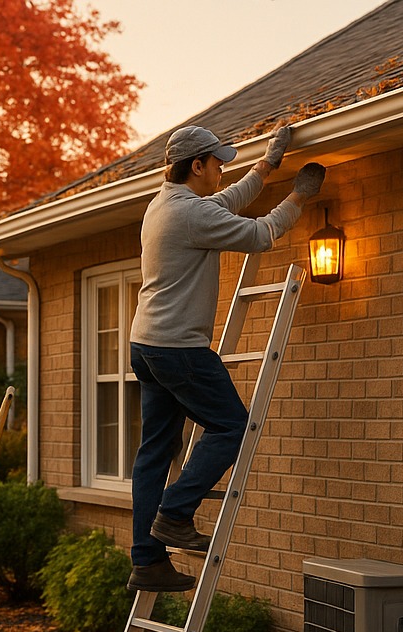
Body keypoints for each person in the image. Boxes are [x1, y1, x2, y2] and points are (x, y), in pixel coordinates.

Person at [126, 123, 326, 592]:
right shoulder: (189, 215)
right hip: (178, 348)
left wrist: (268, 166)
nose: (221, 170)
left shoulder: (164, 205)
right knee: (233, 425)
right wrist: (299, 195)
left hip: (147, 343)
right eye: (217, 163)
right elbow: (259, 234)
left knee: (154, 453)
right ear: (196, 165)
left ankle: (147, 562)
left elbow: (227, 201)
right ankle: (175, 515)